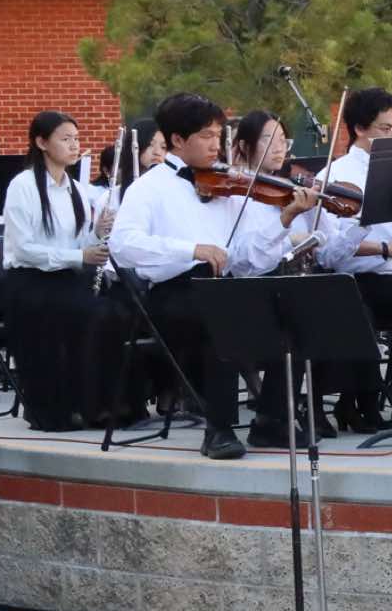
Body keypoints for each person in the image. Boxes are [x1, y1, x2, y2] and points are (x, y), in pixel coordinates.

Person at [107, 92, 272, 459]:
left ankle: (272, 419)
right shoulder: (148, 187)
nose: (217, 146)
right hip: (172, 294)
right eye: (206, 136)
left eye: (218, 136)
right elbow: (123, 245)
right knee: (222, 316)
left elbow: (249, 259)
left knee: (287, 309)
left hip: (222, 287)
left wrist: (285, 221)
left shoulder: (225, 187)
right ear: (178, 140)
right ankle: (219, 430)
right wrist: (191, 249)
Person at [221, 110, 330, 447]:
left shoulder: (282, 190)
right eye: (269, 140)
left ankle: (286, 413)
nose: (279, 148)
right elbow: (246, 260)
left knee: (323, 313)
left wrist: (313, 217)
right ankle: (272, 417)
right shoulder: (234, 193)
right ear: (244, 145)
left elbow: (309, 244)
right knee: (300, 320)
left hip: (280, 284)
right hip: (244, 290)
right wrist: (287, 220)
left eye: (284, 140)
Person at [1, 111, 108, 432]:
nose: (74, 146)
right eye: (65, 139)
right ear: (41, 142)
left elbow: (80, 243)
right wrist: (80, 255)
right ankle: (48, 410)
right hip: (29, 281)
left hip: (65, 278)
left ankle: (90, 404)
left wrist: (97, 234)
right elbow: (24, 249)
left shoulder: (76, 188)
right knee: (62, 316)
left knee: (104, 314)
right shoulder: (22, 186)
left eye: (76, 139)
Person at [317, 86, 392, 432]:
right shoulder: (333, 175)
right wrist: (383, 247)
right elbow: (328, 252)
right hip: (358, 278)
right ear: (359, 128)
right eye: (386, 129)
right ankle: (367, 402)